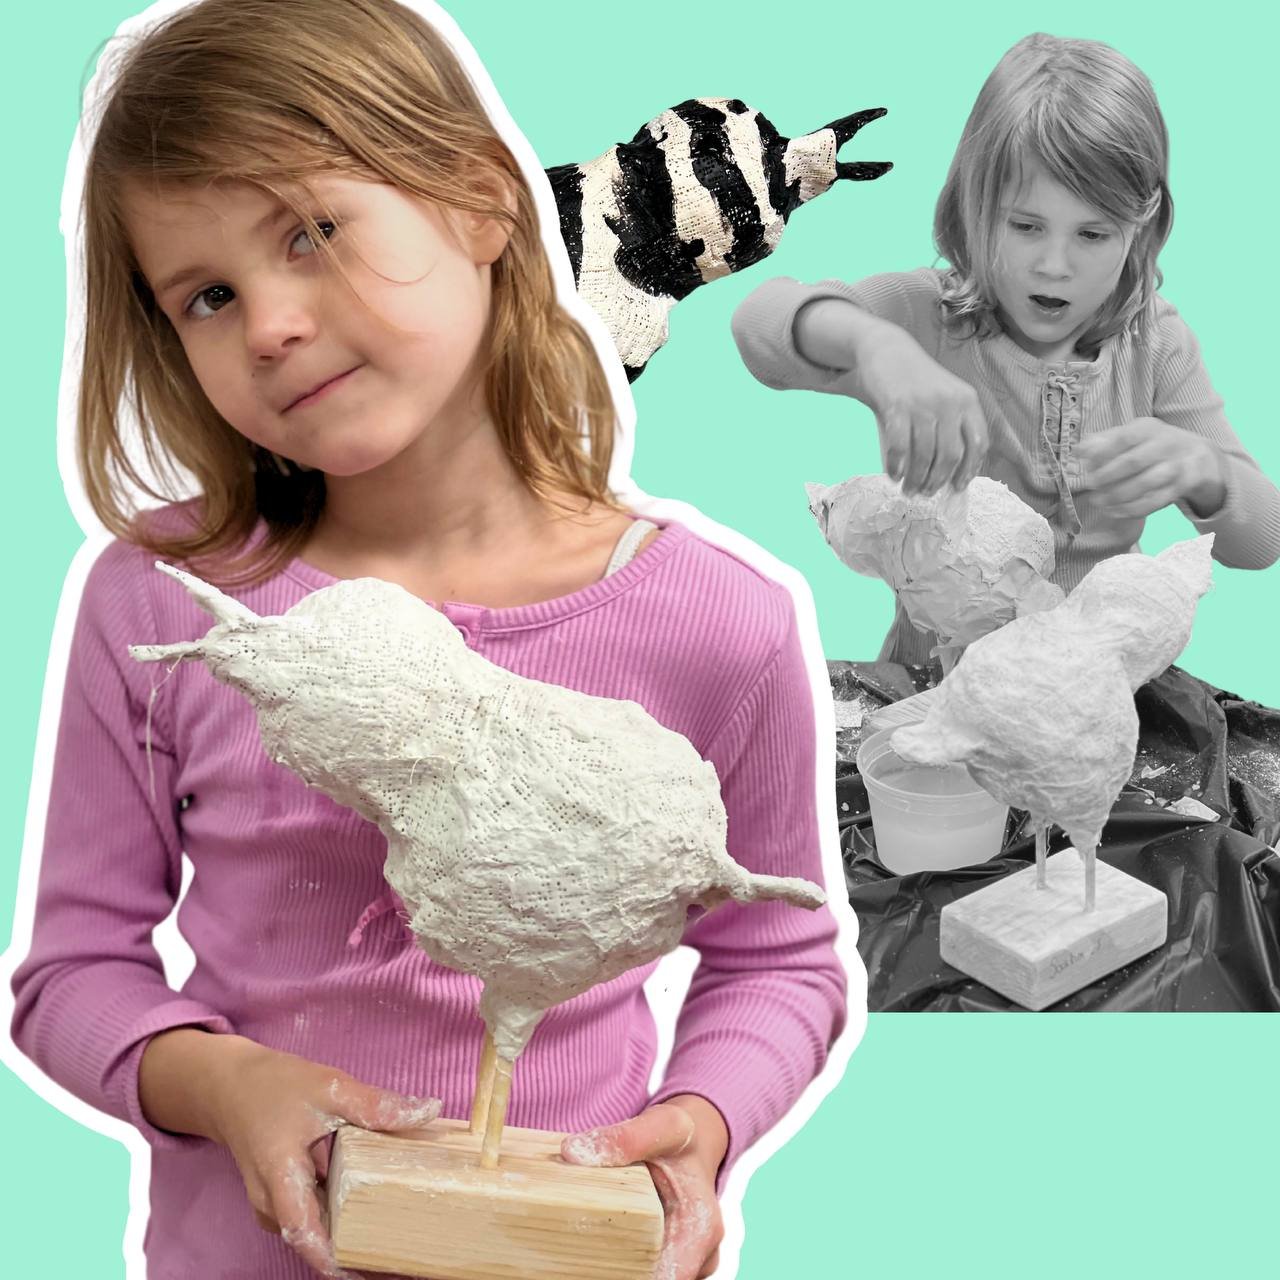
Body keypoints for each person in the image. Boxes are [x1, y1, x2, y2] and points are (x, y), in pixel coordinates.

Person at [7, 2, 846, 1277]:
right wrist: (227, 1084)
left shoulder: (721, 620)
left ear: (478, 203)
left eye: (312, 232)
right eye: (208, 294)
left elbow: (775, 957)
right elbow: (70, 972)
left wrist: (702, 1121)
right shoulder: (165, 603)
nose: (271, 323)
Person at [732, 32, 1280, 666]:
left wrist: (1204, 474)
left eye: (1093, 234)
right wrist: (877, 347)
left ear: (1143, 228)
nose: (1054, 265)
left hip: (1096, 684)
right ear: (975, 208)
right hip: (932, 678)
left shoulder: (1155, 345)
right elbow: (758, 324)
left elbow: (1262, 540)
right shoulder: (929, 319)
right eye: (1026, 226)